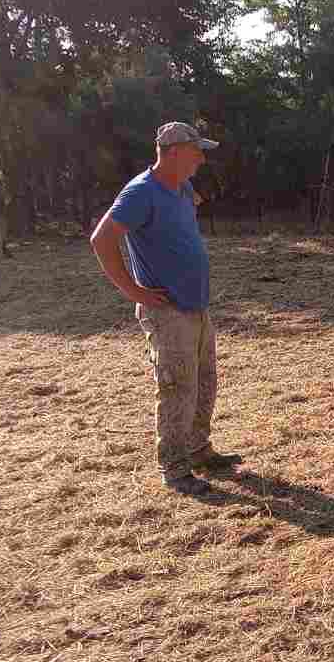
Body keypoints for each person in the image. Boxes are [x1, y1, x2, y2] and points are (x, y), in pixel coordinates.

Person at [90, 121, 241, 496]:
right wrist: (133, 290)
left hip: (197, 304)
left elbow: (183, 219)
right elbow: (102, 239)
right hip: (167, 311)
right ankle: (174, 469)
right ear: (173, 152)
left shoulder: (182, 187)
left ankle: (199, 450)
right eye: (196, 152)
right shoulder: (140, 192)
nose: (202, 159)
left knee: (204, 382)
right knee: (177, 388)